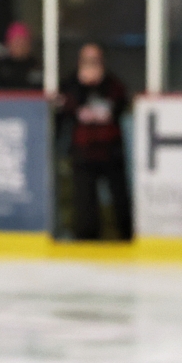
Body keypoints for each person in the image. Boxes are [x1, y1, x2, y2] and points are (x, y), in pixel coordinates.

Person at [55, 42, 132, 241]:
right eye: (87, 60)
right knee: (84, 202)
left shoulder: (112, 83)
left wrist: (100, 86)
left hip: (110, 150)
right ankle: (86, 239)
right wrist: (82, 86)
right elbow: (65, 106)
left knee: (121, 199)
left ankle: (126, 235)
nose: (91, 64)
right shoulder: (71, 84)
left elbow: (121, 102)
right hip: (84, 151)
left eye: (95, 60)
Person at [0, 22, 44, 88]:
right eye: (16, 42)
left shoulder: (37, 68)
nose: (19, 47)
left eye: (22, 42)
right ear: (8, 44)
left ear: (29, 45)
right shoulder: (0, 69)